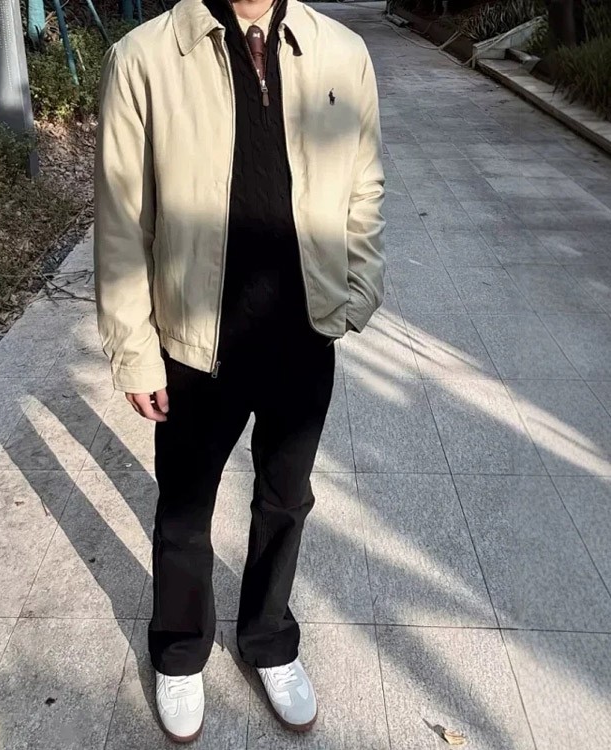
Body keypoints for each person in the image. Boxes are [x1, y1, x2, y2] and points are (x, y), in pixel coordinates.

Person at [94, 0, 385, 741]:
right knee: (184, 512)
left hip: (302, 333)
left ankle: (268, 640)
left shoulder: (340, 51)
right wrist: (134, 348)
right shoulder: (144, 58)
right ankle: (180, 651)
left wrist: (358, 286)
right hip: (197, 344)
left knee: (287, 500)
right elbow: (122, 218)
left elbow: (363, 182)